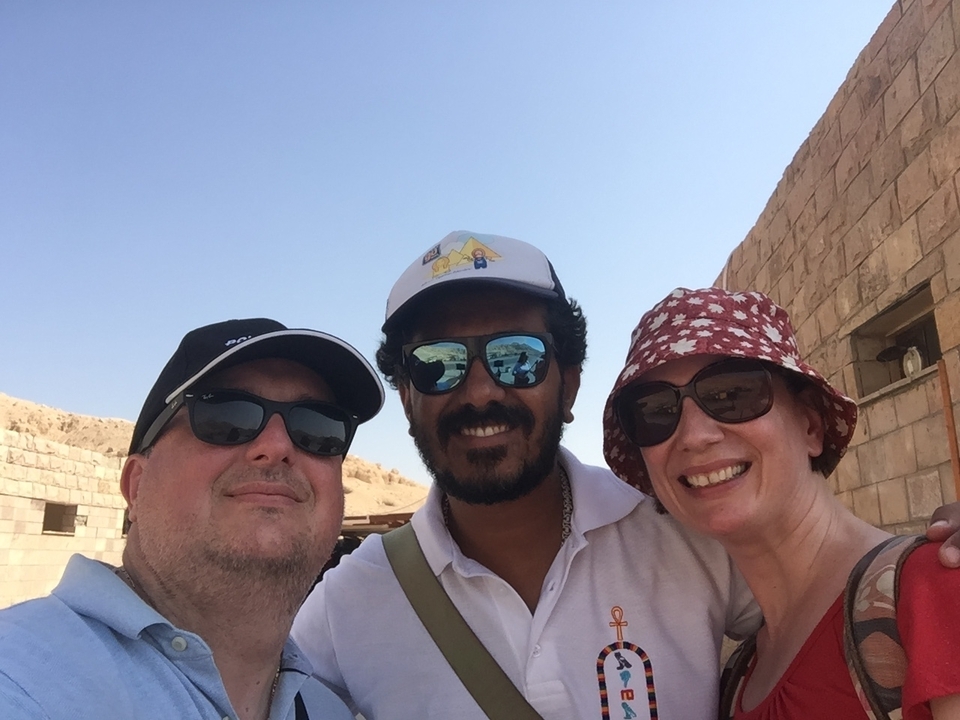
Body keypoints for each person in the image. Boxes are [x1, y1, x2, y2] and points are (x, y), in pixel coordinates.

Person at [292, 231, 765, 719]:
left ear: (569, 386)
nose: (479, 393)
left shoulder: (683, 532)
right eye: (438, 364)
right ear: (409, 400)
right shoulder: (344, 608)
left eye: (518, 357)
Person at [601, 287, 960, 719]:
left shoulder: (937, 593)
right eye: (654, 411)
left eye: (731, 392)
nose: (695, 436)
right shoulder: (742, 677)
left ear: (810, 424)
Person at [0, 318, 384, 720]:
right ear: (136, 486)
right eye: (227, 416)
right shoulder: (23, 681)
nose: (277, 446)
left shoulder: (327, 709)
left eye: (317, 427)